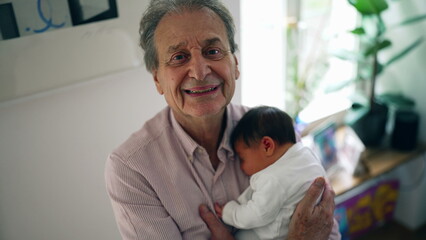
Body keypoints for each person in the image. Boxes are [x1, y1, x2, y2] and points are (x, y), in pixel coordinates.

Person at [105, 0, 337, 239]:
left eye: (212, 52)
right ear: (157, 80)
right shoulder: (132, 169)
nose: (200, 71)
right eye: (179, 57)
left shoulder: (275, 131)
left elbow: (327, 232)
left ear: (235, 64)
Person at [214, 106, 341, 240]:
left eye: (242, 158)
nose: (241, 167)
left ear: (267, 146)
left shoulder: (273, 179)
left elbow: (256, 214)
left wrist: (229, 212)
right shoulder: (307, 154)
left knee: (241, 236)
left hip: (280, 235)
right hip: (322, 230)